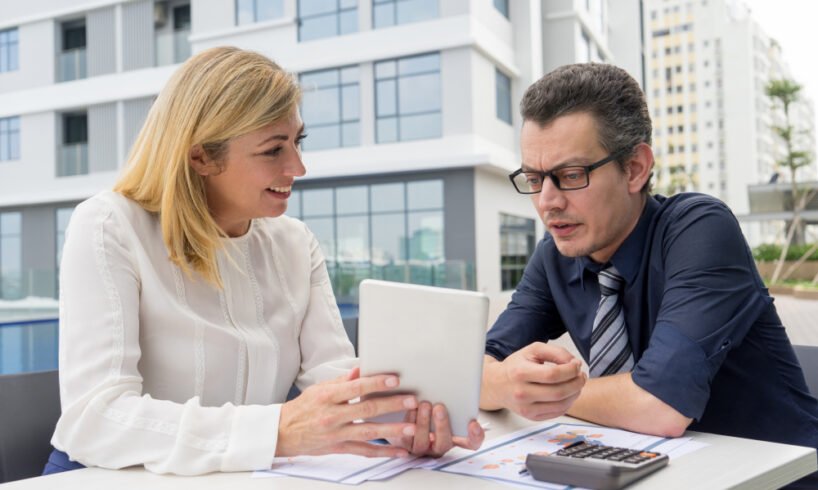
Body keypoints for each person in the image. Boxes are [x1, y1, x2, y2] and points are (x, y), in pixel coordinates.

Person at [45, 46, 483, 476]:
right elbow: (96, 418)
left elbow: (331, 376)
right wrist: (276, 430)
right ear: (200, 156)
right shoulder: (109, 225)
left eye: (297, 141)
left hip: (242, 478)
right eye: (274, 149)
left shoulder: (295, 243)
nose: (298, 167)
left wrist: (399, 422)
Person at [480, 63, 818, 486]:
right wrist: (504, 381)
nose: (547, 202)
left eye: (570, 176)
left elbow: (661, 405)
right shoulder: (556, 255)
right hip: (658, 475)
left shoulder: (700, 229)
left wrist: (530, 390)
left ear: (636, 168)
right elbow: (479, 364)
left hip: (779, 478)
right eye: (534, 178)